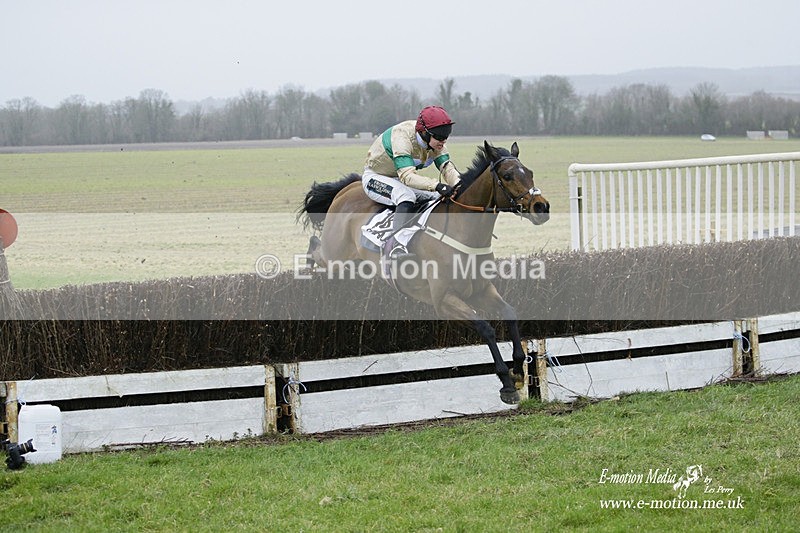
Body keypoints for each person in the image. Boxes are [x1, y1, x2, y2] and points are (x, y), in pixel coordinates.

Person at [362, 105, 461, 258]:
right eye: (439, 138)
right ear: (424, 133)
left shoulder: (435, 140)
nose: (443, 142)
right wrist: (437, 185)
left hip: (399, 178)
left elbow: (447, 168)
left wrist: (459, 185)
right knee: (405, 196)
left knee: (437, 198)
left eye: (446, 137)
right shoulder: (402, 138)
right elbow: (407, 177)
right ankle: (396, 246)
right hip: (376, 177)